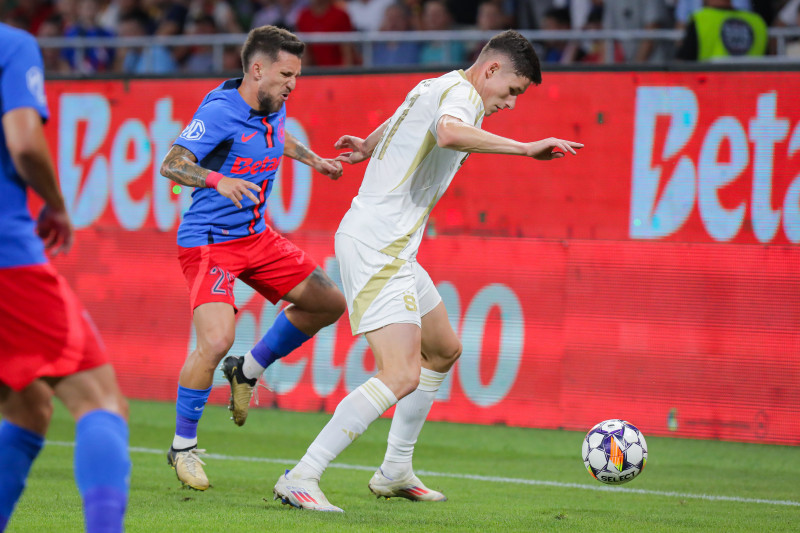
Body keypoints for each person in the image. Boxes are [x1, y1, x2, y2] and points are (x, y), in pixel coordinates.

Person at [273, 29, 582, 512]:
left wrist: (368, 144)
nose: (512, 103)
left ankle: (395, 469)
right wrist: (524, 149)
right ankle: (303, 475)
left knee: (442, 351)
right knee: (400, 374)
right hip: (378, 244)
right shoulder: (460, 96)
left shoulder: (436, 83)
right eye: (513, 91)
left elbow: (404, 117)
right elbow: (447, 133)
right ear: (492, 70)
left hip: (394, 245)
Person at [159, 25, 347, 492]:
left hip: (256, 237)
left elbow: (277, 138)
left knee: (329, 303)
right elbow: (173, 163)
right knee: (216, 338)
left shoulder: (273, 104)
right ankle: (183, 448)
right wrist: (216, 180)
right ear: (257, 68)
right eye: (286, 74)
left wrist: (313, 159)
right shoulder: (221, 110)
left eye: (297, 75)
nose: (293, 84)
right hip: (209, 242)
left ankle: (247, 372)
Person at [0, 22, 130, 532]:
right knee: (101, 400)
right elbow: (25, 143)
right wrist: (56, 205)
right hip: (8, 258)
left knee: (28, 407)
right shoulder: (12, 44)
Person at [676, 0, 767, 61]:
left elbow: (684, 63)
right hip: (752, 86)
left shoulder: (701, 19)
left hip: (711, 85)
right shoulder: (757, 21)